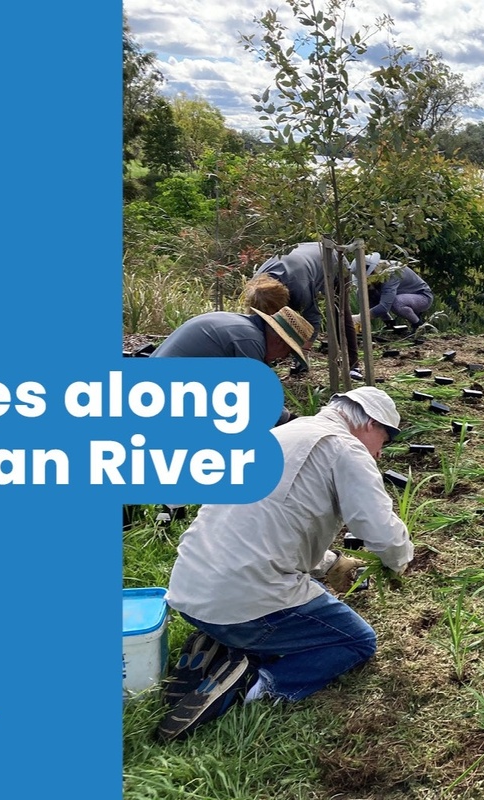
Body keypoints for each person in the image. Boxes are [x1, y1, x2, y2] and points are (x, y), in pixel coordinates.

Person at [156, 387, 414, 741]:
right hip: (242, 600)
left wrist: (329, 563)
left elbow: (265, 526)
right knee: (355, 642)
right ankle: (251, 684)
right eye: (382, 440)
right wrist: (401, 561)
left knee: (278, 603)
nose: (380, 453)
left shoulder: (281, 435)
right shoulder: (346, 449)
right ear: (369, 423)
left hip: (191, 590)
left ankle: (221, 645)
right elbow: (380, 531)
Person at [254, 242, 365, 378]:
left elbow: (313, 319)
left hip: (333, 261)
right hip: (303, 259)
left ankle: (353, 366)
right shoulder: (256, 287)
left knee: (339, 312)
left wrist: (304, 353)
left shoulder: (299, 288)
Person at [148, 306, 314, 368]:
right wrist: (293, 421)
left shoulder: (242, 325)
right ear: (279, 341)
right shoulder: (249, 339)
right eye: (285, 355)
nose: (277, 361)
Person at [366, 260, 433, 330]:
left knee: (396, 302)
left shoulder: (391, 273)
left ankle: (419, 326)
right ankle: (389, 324)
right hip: (403, 296)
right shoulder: (380, 274)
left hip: (422, 297)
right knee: (369, 294)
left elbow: (385, 306)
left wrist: (360, 318)